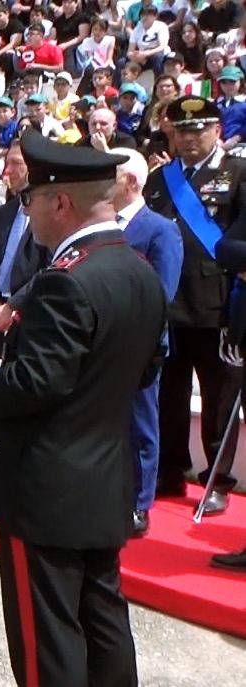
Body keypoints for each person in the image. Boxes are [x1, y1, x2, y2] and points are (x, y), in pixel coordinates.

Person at [0, 131, 165, 687]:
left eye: (30, 198)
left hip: (45, 487)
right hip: (105, 477)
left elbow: (33, 384)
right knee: (103, 617)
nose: (27, 210)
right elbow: (141, 372)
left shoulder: (66, 281)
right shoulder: (137, 270)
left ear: (60, 202)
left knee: (49, 635)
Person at [145, 96, 245, 515]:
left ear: (217, 130)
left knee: (220, 396)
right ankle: (169, 468)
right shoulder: (160, 178)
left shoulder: (238, 174)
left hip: (214, 304)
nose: (189, 138)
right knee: (169, 391)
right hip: (167, 302)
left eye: (198, 129)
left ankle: (217, 478)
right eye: (182, 131)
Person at [112, 148, 182, 537]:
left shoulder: (159, 229)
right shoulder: (102, 225)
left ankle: (140, 502)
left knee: (140, 424)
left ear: (133, 182)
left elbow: (162, 294)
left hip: (140, 344)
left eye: (113, 176)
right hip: (101, 341)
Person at [0, 139, 48, 358]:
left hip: (29, 319)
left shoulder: (49, 215)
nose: (9, 171)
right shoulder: (4, 213)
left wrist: (13, 307)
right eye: (7, 163)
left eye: (16, 163)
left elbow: (49, 269)